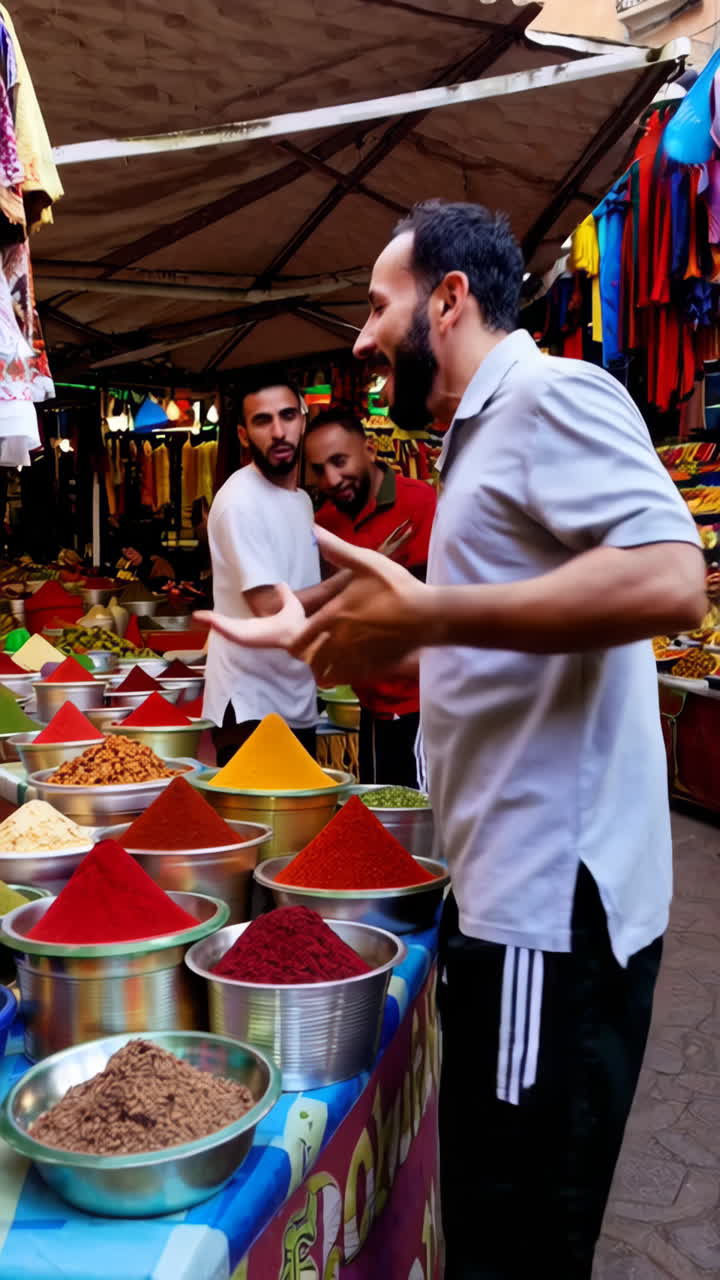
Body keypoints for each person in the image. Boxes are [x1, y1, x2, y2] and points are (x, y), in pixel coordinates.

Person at [197, 200, 706, 1278]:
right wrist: (329, 618)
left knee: (515, 1241)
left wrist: (432, 614)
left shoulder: (552, 394)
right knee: (486, 1216)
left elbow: (673, 579)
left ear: (449, 298)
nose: (363, 337)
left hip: (545, 916)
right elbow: (498, 619)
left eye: (377, 306)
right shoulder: (476, 439)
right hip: (502, 903)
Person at [203, 371, 339, 766]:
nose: (279, 432)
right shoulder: (240, 501)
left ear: (303, 421)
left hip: (295, 696)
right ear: (244, 435)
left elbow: (300, 585)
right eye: (263, 421)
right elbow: (269, 607)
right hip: (251, 706)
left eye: (287, 416)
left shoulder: (300, 501)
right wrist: (354, 578)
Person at [305, 407, 436, 787]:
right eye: (319, 469)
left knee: (422, 811)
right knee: (377, 808)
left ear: (370, 450)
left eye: (339, 461)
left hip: (424, 702)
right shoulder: (326, 522)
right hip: (370, 701)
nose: (331, 479)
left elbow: (427, 601)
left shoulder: (419, 501)